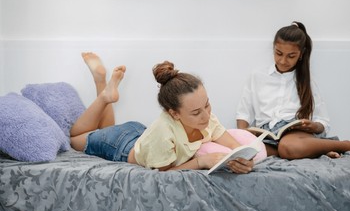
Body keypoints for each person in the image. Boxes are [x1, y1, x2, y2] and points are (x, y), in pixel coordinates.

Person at [70, 52, 257, 173]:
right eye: (196, 112)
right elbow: (165, 173)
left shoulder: (206, 118)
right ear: (174, 113)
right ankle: (103, 90)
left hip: (141, 135)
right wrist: (202, 161)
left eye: (207, 105)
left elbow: (236, 147)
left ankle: (104, 88)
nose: (206, 116)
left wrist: (243, 159)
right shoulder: (164, 132)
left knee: (104, 128)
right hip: (120, 145)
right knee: (74, 137)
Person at [236, 21, 350, 159]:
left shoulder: (306, 81)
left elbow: (323, 122)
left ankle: (346, 145)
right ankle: (314, 151)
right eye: (278, 53)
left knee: (288, 146)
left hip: (293, 133)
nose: (282, 61)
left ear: (301, 54)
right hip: (266, 135)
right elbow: (243, 113)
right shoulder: (257, 77)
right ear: (273, 48)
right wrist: (244, 134)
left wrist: (314, 126)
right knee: (245, 151)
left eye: (291, 56)